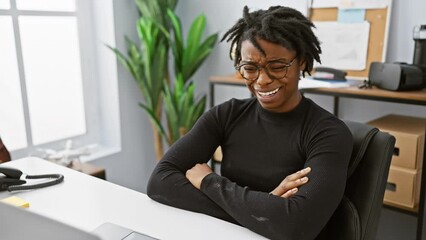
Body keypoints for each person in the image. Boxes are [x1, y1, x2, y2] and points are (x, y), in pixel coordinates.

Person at [147, 5, 353, 240]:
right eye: (250, 68)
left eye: (277, 67)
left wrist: (208, 181)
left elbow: (295, 226)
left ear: (303, 63)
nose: (262, 80)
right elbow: (159, 181)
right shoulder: (226, 114)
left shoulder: (328, 134)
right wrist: (265, 208)